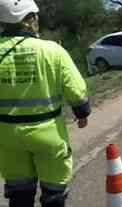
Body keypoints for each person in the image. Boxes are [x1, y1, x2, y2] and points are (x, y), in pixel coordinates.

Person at [0, 0, 91, 207]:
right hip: (48, 134)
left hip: (6, 136)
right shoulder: (52, 50)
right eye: (35, 16)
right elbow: (76, 88)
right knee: (54, 194)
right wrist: (82, 111)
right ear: (29, 19)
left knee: (19, 194)